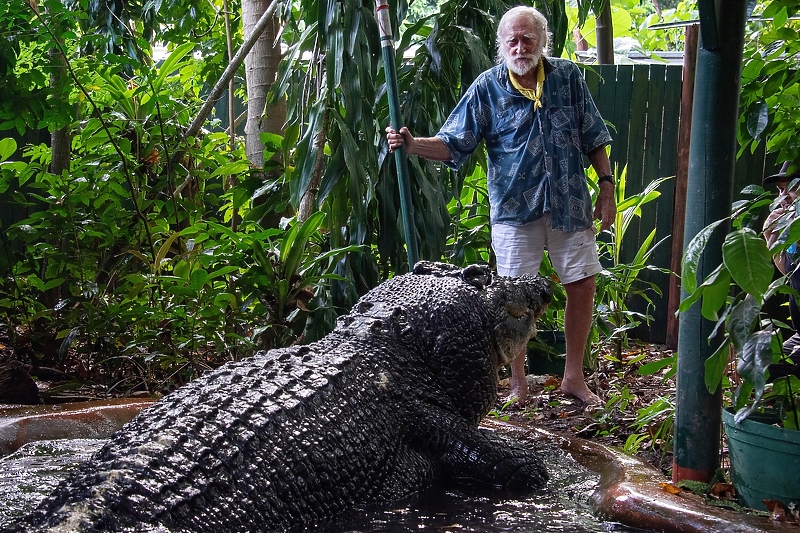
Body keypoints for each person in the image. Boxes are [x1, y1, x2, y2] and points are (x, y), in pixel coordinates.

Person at [385, 6, 615, 405]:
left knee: (583, 285)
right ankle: (517, 384)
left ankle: (573, 378)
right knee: (512, 300)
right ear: (501, 45)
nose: (520, 46)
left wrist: (607, 187)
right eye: (512, 39)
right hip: (514, 212)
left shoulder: (568, 78)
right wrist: (413, 145)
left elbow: (593, 135)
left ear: (543, 40)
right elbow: (454, 142)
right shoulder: (487, 87)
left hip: (570, 205)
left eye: (527, 38)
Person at [762, 161, 800, 359]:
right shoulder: (793, 234)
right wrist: (772, 235)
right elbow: (790, 273)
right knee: (766, 367)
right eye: (780, 191)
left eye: (789, 190)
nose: (782, 199)